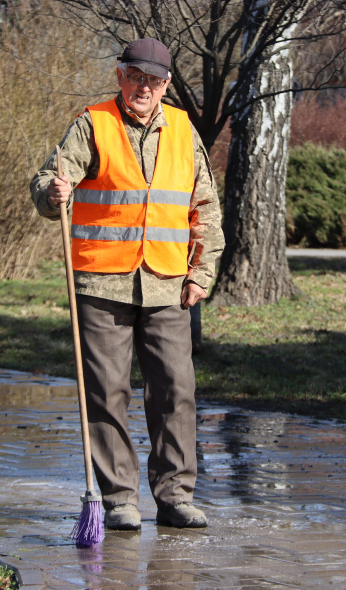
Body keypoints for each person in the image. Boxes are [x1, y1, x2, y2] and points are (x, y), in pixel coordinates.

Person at [29, 38, 224, 530]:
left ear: (166, 86)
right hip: (101, 283)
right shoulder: (92, 124)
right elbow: (50, 179)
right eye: (135, 77)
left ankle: (176, 495)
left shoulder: (183, 130)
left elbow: (205, 208)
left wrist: (202, 272)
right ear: (120, 76)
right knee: (106, 392)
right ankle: (118, 499)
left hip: (167, 283)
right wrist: (53, 193)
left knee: (175, 389)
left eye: (153, 80)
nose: (143, 87)